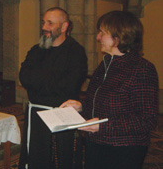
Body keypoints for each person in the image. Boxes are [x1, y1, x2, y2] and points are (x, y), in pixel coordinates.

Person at [61, 10, 159, 169]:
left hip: (123, 149)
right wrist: (82, 106)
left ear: (119, 36)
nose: (98, 37)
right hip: (97, 142)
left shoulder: (141, 68)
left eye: (102, 32)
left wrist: (103, 126)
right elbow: (102, 101)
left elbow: (147, 119)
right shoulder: (106, 63)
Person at [18, 7, 88, 169]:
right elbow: (24, 77)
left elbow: (69, 85)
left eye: (50, 23)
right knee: (36, 157)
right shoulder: (37, 50)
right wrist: (48, 80)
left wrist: (38, 81)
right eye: (43, 22)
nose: (44, 27)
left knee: (60, 159)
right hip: (35, 115)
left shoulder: (75, 52)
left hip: (61, 115)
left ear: (64, 27)